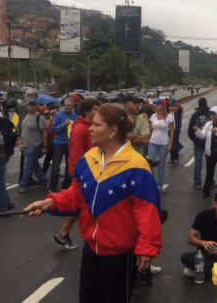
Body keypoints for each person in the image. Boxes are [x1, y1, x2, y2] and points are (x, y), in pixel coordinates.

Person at [24, 105, 163, 303]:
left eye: (97, 125)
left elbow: (147, 212)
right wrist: (49, 203)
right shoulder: (88, 159)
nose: (90, 128)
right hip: (91, 248)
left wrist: (147, 248)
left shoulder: (137, 165)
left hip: (120, 254)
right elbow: (76, 195)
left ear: (113, 130)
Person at [52, 98, 101, 251]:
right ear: (86, 111)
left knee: (82, 205)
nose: (98, 112)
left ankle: (64, 233)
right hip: (86, 174)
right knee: (84, 205)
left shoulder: (88, 126)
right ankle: (67, 233)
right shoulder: (81, 129)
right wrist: (81, 175)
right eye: (95, 109)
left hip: (91, 172)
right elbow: (78, 155)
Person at [195, 106, 217, 197]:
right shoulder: (208, 124)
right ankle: (206, 190)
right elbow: (202, 135)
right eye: (211, 114)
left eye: (214, 114)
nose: (213, 116)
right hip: (210, 152)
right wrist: (197, 131)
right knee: (209, 172)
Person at [17, 99, 49, 193]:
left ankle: (23, 185)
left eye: (33, 105)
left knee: (27, 166)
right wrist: (21, 143)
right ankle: (43, 183)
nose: (31, 107)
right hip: (26, 145)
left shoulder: (40, 117)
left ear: (36, 106)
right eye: (30, 105)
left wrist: (44, 146)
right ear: (27, 106)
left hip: (34, 146)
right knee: (35, 165)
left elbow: (45, 133)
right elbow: (24, 131)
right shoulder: (26, 116)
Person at [50, 98, 77, 192]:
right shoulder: (58, 115)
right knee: (56, 165)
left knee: (69, 166)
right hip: (59, 143)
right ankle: (52, 186)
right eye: (66, 105)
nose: (67, 107)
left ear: (73, 106)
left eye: (69, 105)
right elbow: (54, 129)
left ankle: (65, 186)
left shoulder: (75, 116)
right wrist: (64, 125)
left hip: (70, 144)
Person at [148, 99, 174, 194]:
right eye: (156, 104)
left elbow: (171, 132)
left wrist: (170, 144)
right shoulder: (153, 116)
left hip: (164, 144)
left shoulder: (170, 117)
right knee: (150, 165)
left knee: (161, 166)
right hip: (153, 143)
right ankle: (150, 186)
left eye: (158, 104)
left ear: (163, 106)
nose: (156, 106)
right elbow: (151, 130)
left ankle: (159, 186)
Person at [188, 97, 211, 189]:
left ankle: (197, 182)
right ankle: (211, 181)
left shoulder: (195, 115)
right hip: (208, 141)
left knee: (198, 162)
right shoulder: (209, 115)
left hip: (197, 142)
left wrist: (194, 139)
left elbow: (190, 129)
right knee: (210, 162)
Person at [17, 88, 39, 183]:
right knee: (28, 159)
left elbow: (18, 115)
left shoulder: (21, 104)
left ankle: (24, 177)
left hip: (22, 131)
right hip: (29, 134)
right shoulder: (31, 106)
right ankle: (25, 179)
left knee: (25, 158)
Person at [41, 104, 60, 178]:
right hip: (51, 142)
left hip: (56, 141)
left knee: (56, 158)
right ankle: (44, 172)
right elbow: (47, 131)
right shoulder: (48, 121)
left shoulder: (57, 119)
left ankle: (56, 172)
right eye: (57, 109)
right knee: (49, 158)